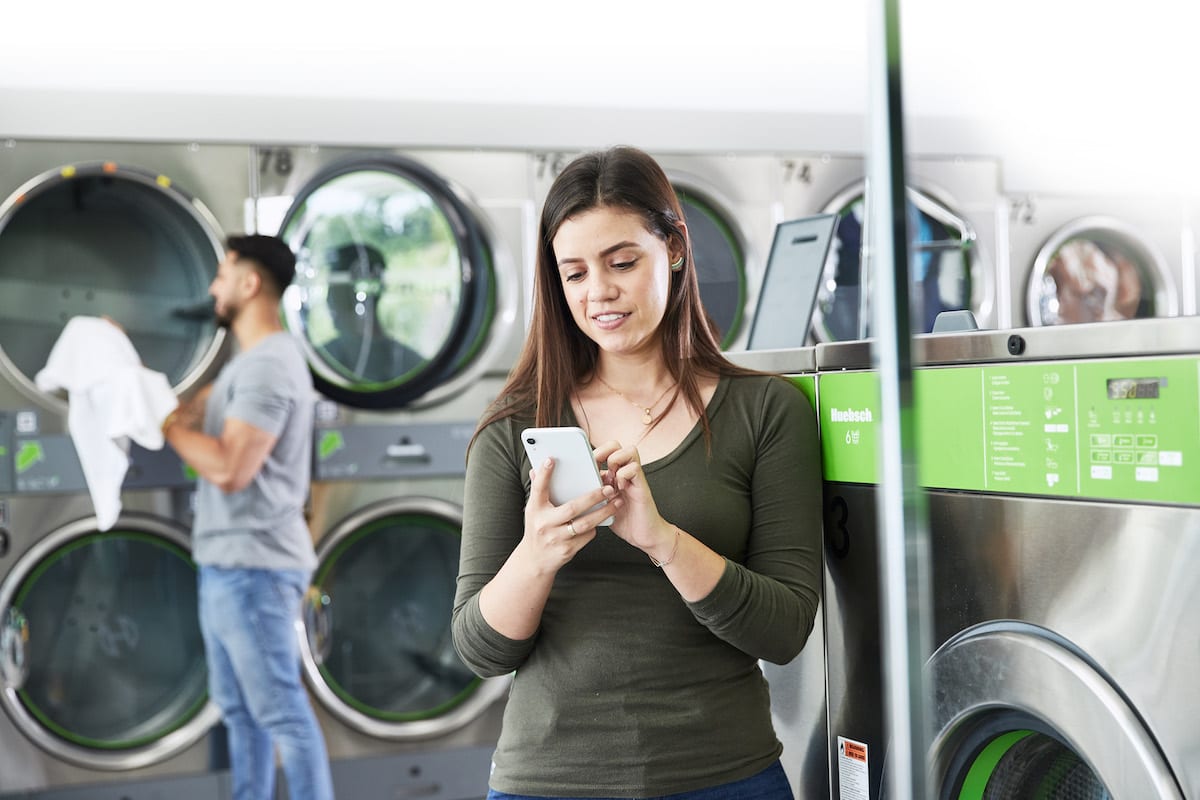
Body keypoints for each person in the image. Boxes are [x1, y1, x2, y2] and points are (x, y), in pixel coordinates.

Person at [451, 146, 822, 799]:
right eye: (574, 274)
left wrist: (663, 541)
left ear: (674, 247)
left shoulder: (767, 411)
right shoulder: (513, 428)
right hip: (550, 782)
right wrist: (538, 554)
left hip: (725, 777)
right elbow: (482, 652)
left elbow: (785, 630)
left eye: (622, 262)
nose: (600, 292)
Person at [163, 234, 335, 800]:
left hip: (253, 567)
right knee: (242, 713)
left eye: (221, 273)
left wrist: (172, 431)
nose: (212, 287)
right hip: (228, 563)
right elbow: (198, 411)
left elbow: (232, 468)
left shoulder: (267, 367)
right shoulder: (253, 364)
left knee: (281, 712)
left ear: (250, 281)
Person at [316, 242, 425, 383]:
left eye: (333, 288)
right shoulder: (413, 365)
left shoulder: (323, 360)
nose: (328, 300)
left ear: (354, 293)